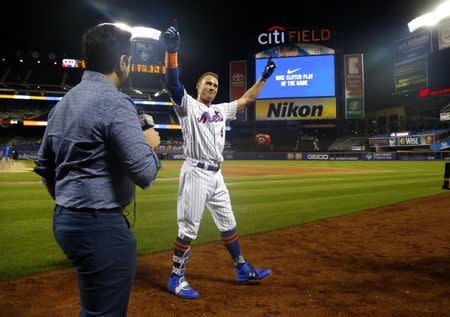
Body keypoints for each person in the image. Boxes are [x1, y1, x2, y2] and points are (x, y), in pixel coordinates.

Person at [34, 23, 161, 316]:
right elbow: (144, 173)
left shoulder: (63, 103)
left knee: (95, 309)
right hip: (100, 227)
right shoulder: (116, 103)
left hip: (65, 221)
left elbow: (45, 168)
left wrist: (72, 203)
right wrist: (150, 144)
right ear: (122, 62)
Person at [163, 24, 276, 299]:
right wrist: (171, 51)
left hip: (216, 175)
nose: (212, 87)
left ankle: (241, 268)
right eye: (207, 84)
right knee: (188, 229)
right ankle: (176, 277)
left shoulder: (221, 110)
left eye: (215, 85)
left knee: (228, 223)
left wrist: (264, 78)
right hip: (196, 172)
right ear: (198, 87)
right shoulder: (188, 105)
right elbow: (171, 84)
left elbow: (247, 99)